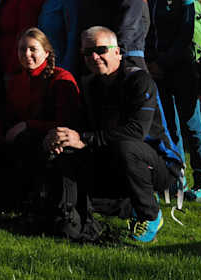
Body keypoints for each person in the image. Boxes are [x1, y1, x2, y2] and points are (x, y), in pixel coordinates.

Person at [44, 27, 175, 243]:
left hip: (156, 163)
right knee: (67, 156)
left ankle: (150, 214)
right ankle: (126, 205)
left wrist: (84, 139)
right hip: (112, 158)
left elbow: (137, 132)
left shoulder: (139, 80)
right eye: (87, 52)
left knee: (127, 147)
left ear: (118, 52)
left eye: (101, 50)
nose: (94, 57)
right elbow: (81, 127)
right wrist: (61, 137)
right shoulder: (89, 85)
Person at [144, 0, 201, 201]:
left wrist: (164, 62)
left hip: (181, 69)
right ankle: (176, 179)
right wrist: (151, 64)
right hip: (155, 72)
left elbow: (186, 32)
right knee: (168, 128)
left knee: (192, 125)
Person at [0, 28, 81, 211]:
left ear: (46, 52)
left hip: (52, 138)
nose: (27, 54)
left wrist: (27, 125)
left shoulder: (61, 78)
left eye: (32, 49)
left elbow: (66, 122)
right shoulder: (16, 81)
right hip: (22, 136)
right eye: (22, 49)